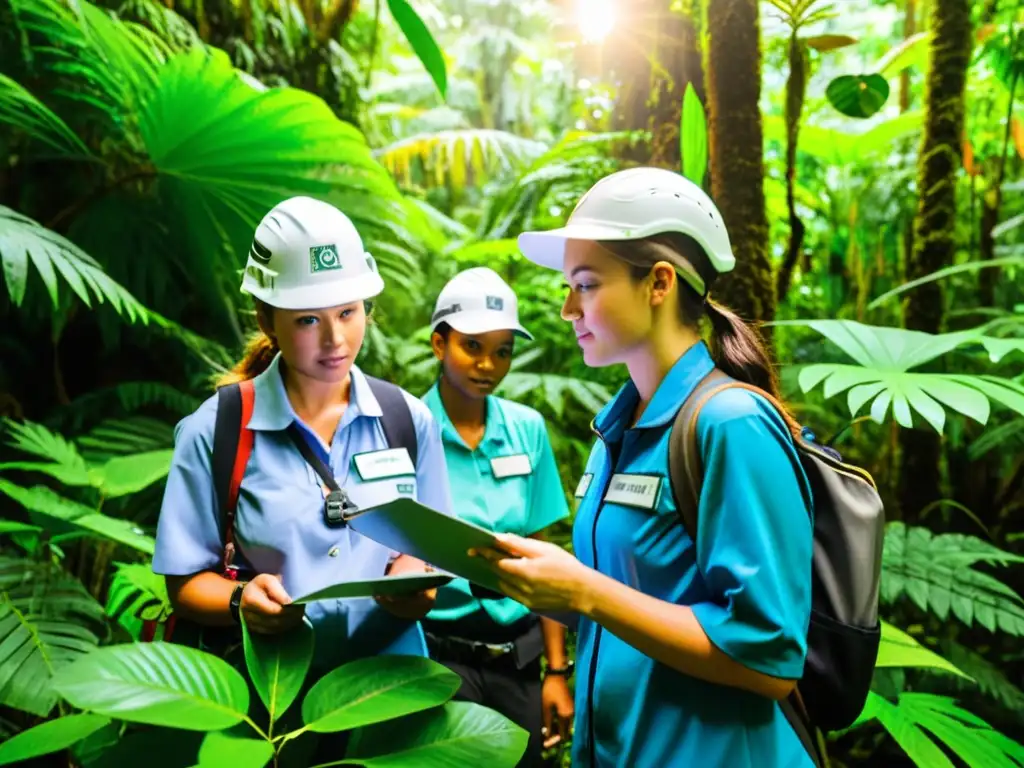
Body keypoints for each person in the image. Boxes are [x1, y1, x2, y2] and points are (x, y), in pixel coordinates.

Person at [469, 167, 816, 767]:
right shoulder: (618, 427)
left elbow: (769, 659)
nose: (566, 309)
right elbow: (637, 593)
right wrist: (550, 586)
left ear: (658, 283)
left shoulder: (730, 424)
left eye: (585, 285)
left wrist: (587, 592)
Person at [153, 196, 451, 761]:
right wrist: (243, 598)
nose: (335, 339)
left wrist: (413, 580)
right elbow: (184, 582)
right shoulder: (214, 432)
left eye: (348, 312)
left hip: (389, 693)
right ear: (267, 319)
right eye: (308, 320)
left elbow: (426, 550)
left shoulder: (407, 421)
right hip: (268, 696)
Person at [420, 267, 575, 767]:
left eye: (502, 350)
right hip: (438, 657)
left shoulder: (527, 430)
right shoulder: (407, 427)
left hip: (520, 659)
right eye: (472, 346)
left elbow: (544, 551)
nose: (488, 364)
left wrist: (557, 671)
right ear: (439, 344)